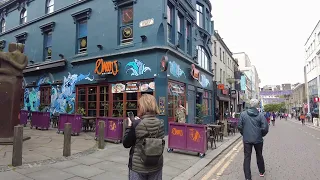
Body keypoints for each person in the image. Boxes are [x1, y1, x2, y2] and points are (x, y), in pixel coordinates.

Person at [123, 94, 165, 180]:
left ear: (142, 107)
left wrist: (129, 126)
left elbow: (126, 143)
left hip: (138, 167)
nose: (138, 108)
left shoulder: (137, 124)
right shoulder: (161, 123)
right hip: (156, 165)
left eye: (138, 106)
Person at [238, 99, 269, 180]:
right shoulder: (260, 115)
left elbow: (240, 127)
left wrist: (244, 134)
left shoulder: (243, 114)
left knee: (247, 157)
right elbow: (265, 128)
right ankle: (261, 171)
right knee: (259, 154)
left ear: (250, 105)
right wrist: (261, 134)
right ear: (257, 106)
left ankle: (248, 177)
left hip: (247, 139)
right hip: (258, 139)